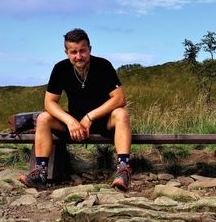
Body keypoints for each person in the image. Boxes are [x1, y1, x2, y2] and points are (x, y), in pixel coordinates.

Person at [18, 28, 132, 191]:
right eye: (73, 52)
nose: (78, 56)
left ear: (89, 49)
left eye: (82, 51)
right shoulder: (60, 68)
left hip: (102, 121)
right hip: (73, 125)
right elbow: (49, 102)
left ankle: (123, 171)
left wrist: (90, 117)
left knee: (121, 113)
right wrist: (70, 121)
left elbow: (120, 98)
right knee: (43, 118)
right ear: (66, 52)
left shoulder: (103, 65)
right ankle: (41, 175)